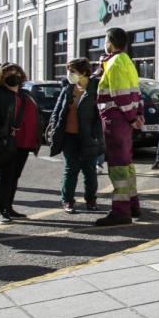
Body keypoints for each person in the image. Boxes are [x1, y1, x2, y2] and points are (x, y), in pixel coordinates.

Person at [0, 63, 40, 224]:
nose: (13, 75)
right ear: (1, 76)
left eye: (16, 72)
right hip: (5, 142)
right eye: (9, 72)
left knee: (14, 176)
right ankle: (1, 210)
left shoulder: (25, 94)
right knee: (5, 177)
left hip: (24, 142)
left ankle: (9, 208)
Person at [95, 27, 144, 227]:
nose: (104, 44)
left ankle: (120, 211)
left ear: (110, 42)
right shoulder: (126, 61)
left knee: (117, 166)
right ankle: (132, 204)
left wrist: (132, 118)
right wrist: (137, 115)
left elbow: (120, 95)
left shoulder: (114, 62)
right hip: (124, 119)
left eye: (105, 40)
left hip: (115, 119)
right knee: (126, 163)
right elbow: (136, 92)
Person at [48, 59, 103, 214]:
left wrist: (96, 135)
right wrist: (53, 129)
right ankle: (67, 201)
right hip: (69, 136)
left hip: (88, 136)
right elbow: (57, 112)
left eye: (73, 71)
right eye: (68, 71)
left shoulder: (95, 89)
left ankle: (91, 200)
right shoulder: (68, 89)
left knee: (89, 170)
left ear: (84, 72)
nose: (69, 75)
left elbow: (100, 116)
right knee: (70, 169)